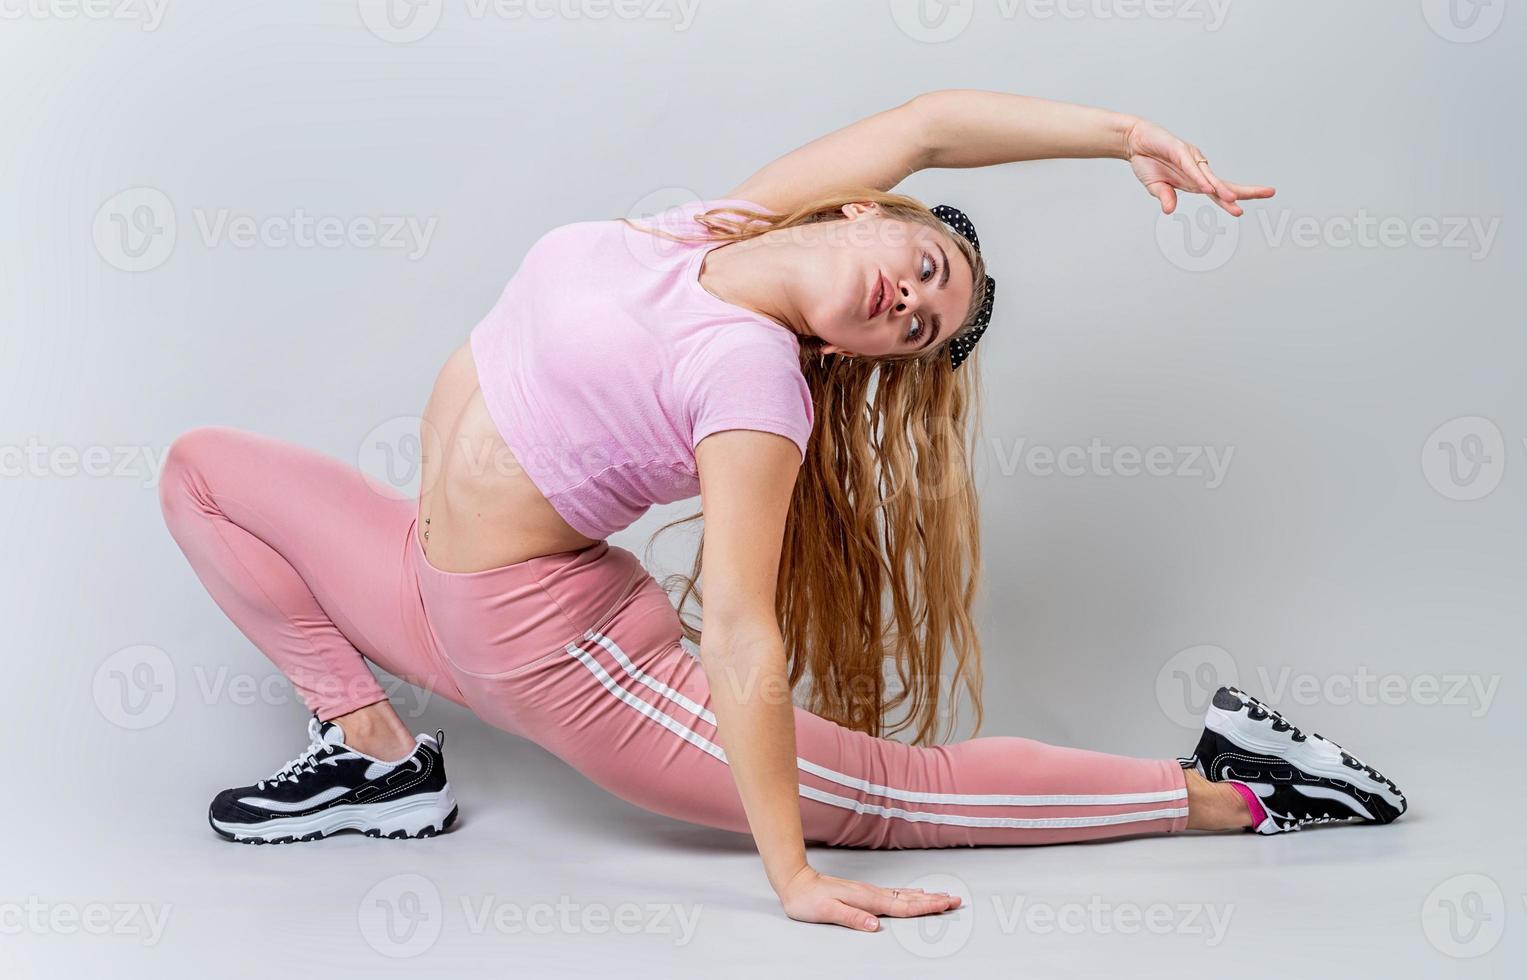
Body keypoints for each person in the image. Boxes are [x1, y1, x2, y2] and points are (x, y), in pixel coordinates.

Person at [158, 89, 1406, 932]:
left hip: (564, 657)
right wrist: (1121, 129)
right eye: (924, 268)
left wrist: (792, 869)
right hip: (420, 586)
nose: (908, 304)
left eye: (920, 327)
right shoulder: (703, 229)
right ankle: (379, 760)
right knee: (203, 472)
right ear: (869, 209)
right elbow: (926, 120)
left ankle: (1240, 788)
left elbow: (746, 634)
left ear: (870, 352)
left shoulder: (753, 383)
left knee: (899, 794)